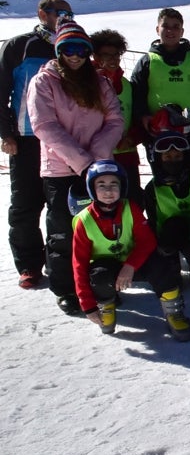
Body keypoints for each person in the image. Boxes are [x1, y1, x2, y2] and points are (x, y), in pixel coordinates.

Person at [28, 19, 124, 315]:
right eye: (68, 48)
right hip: (61, 169)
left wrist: (96, 157)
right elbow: (44, 125)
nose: (75, 55)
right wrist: (82, 162)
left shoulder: (99, 82)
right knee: (63, 231)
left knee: (98, 229)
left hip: (97, 168)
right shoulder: (44, 82)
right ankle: (66, 287)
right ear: (58, 50)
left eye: (81, 49)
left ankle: (100, 284)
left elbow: (114, 121)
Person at [70, 160, 190, 341]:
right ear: (92, 189)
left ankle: (173, 311)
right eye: (101, 185)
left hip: (133, 263)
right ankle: (106, 305)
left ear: (122, 187)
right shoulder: (83, 220)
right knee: (98, 275)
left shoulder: (130, 208)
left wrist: (130, 266)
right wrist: (87, 305)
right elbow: (78, 265)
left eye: (114, 184)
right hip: (107, 268)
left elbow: (147, 241)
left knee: (161, 263)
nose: (109, 191)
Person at [2, 0, 73, 291]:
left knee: (62, 207)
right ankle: (30, 265)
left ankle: (63, 260)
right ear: (42, 13)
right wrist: (6, 133)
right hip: (26, 139)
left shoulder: (72, 46)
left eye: (69, 12)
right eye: (59, 12)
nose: (64, 17)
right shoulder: (20, 46)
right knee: (25, 206)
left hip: (61, 140)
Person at [130, 8, 190, 167]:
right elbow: (136, 94)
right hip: (158, 131)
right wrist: (143, 116)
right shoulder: (147, 61)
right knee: (162, 178)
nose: (170, 31)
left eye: (175, 26)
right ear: (157, 29)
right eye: (166, 26)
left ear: (182, 31)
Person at [141, 132, 190, 287]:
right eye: (167, 158)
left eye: (178, 157)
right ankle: (171, 265)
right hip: (170, 236)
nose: (173, 161)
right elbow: (153, 222)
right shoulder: (152, 188)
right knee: (169, 283)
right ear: (159, 159)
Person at [89, 29, 142, 198]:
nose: (113, 59)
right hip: (96, 157)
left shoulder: (127, 85)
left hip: (126, 155)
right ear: (96, 57)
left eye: (116, 54)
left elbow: (137, 119)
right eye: (106, 55)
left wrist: (133, 138)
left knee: (132, 203)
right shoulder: (86, 84)